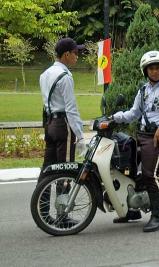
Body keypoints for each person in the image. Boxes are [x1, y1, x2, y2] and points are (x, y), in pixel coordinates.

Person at [112, 50, 159, 232]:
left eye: (158, 68)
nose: (155, 71)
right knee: (126, 169)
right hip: (142, 135)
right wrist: (113, 118)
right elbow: (133, 113)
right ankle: (132, 210)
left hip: (157, 138)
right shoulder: (143, 90)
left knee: (148, 174)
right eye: (151, 68)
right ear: (145, 71)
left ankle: (156, 217)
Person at [38, 37, 85, 225]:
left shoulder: (45, 74)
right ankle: (62, 216)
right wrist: (80, 135)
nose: (77, 57)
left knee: (47, 170)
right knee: (65, 170)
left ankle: (42, 212)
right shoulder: (64, 76)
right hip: (63, 125)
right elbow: (71, 108)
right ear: (66, 54)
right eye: (76, 53)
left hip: (50, 123)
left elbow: (45, 104)